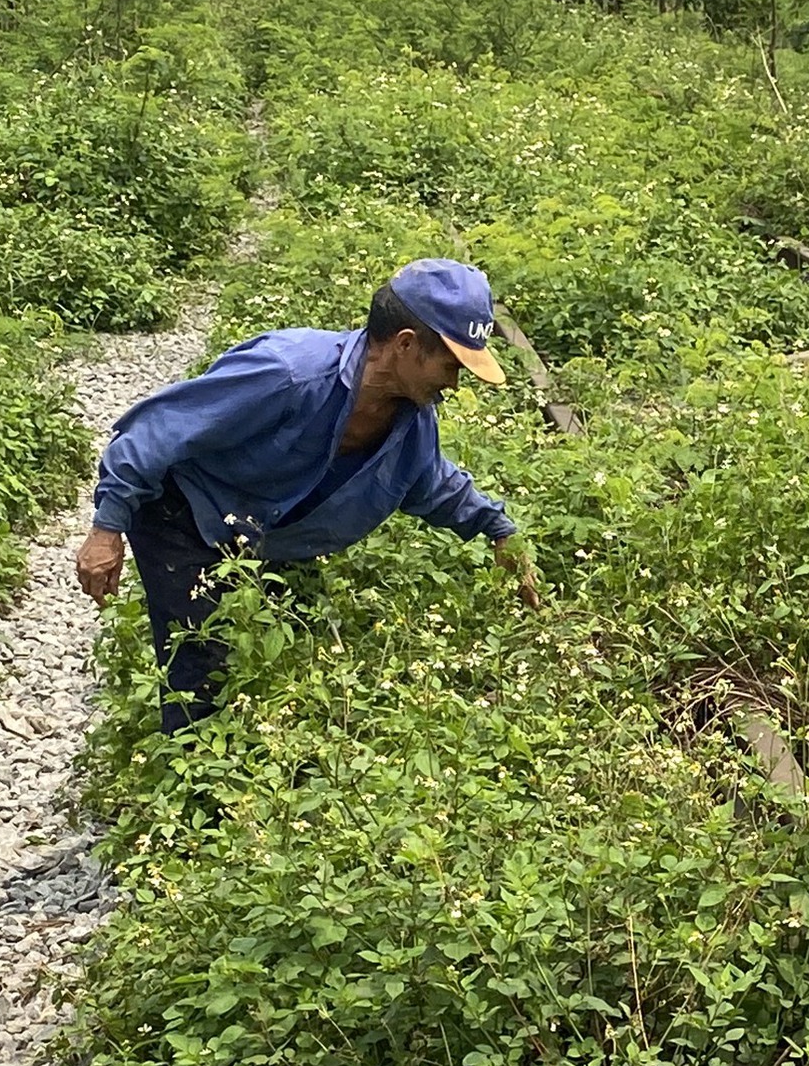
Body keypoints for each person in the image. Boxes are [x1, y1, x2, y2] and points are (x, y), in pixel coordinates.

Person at [76, 257, 541, 732]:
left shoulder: (411, 421)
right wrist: (107, 528)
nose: (454, 382)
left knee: (271, 663)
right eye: (450, 364)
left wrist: (499, 530)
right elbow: (154, 432)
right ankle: (187, 782)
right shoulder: (288, 373)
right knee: (201, 670)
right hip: (184, 514)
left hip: (266, 540)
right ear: (405, 345)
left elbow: (431, 481)